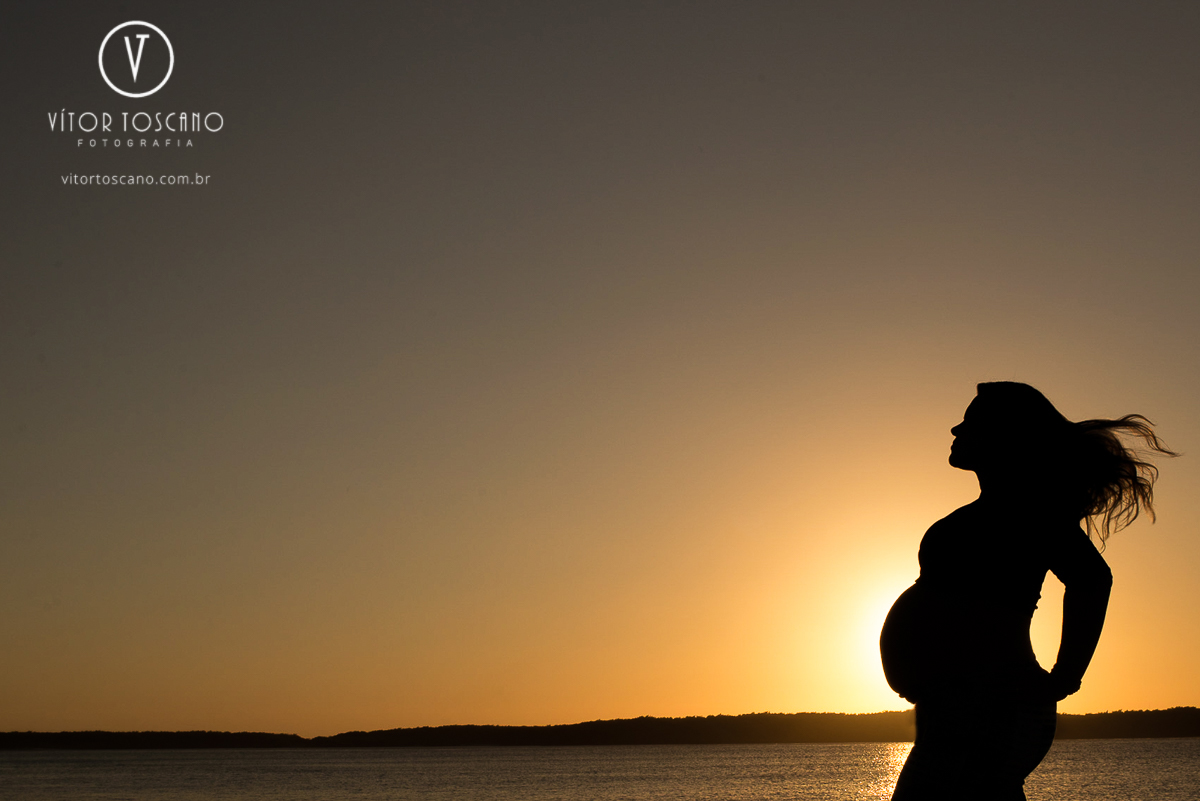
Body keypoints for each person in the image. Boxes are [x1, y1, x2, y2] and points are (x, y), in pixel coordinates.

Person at [879, 382, 1176, 800]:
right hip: (956, 704)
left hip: (990, 702)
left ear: (1005, 437)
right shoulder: (995, 511)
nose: (956, 430)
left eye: (971, 422)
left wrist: (1065, 678)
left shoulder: (1029, 511)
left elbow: (1092, 579)